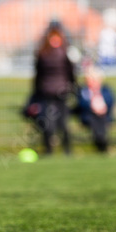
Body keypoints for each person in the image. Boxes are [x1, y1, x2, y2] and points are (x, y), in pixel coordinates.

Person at [30, 21, 77, 155]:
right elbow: (39, 75)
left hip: (60, 92)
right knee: (48, 122)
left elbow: (71, 73)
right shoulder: (46, 54)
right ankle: (51, 150)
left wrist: (72, 87)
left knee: (62, 122)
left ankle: (66, 150)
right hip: (48, 93)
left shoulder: (62, 53)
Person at [73, 68, 116, 153]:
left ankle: (101, 142)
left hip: (104, 116)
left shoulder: (106, 90)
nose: (93, 81)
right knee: (95, 120)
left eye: (95, 79)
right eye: (90, 79)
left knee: (101, 120)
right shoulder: (83, 90)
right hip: (88, 116)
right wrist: (92, 107)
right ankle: (102, 143)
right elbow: (80, 103)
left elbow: (112, 101)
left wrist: (103, 108)